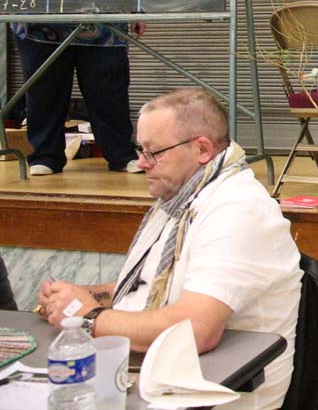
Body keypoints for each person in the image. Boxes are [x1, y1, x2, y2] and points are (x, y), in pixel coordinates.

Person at [36, 87, 302, 410]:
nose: (141, 162)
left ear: (201, 149)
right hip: (164, 378)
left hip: (216, 394)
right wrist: (79, 296)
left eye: (153, 152)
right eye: (140, 149)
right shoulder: (180, 197)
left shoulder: (238, 208)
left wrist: (89, 317)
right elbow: (148, 286)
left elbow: (196, 329)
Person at [13, 21, 144, 175]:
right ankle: (44, 156)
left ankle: (122, 155)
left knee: (110, 94)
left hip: (104, 24)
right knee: (44, 93)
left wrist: (137, 11)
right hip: (40, 26)